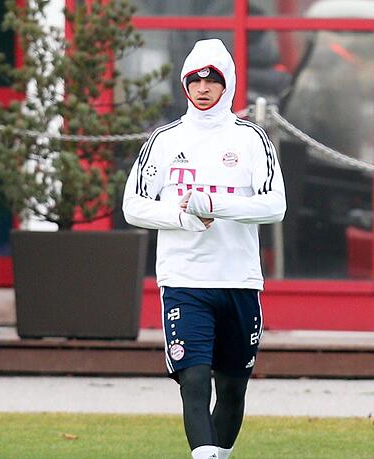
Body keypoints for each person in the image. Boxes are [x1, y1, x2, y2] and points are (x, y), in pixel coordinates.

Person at [122, 39, 286, 459]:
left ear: (227, 84)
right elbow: (133, 206)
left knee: (232, 389)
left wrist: (214, 204)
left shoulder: (251, 139)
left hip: (239, 280)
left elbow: (275, 206)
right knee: (193, 382)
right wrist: (182, 218)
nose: (203, 88)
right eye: (194, 81)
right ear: (184, 85)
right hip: (184, 281)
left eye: (212, 80)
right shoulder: (164, 139)